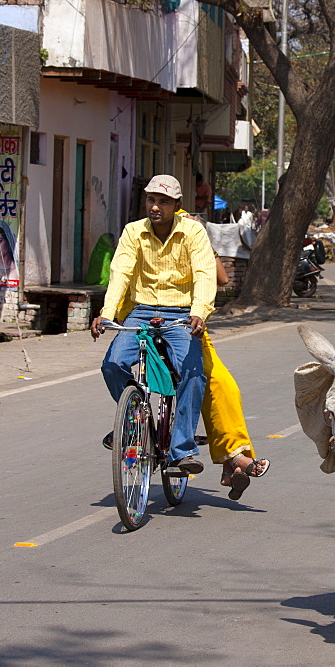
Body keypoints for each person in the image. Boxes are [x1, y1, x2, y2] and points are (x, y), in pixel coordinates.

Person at [91, 174, 216, 476]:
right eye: (151, 200)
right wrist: (107, 313)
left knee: (193, 373)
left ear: (176, 205)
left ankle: (182, 449)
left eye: (163, 201)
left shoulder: (193, 233)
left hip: (181, 313)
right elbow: (120, 272)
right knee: (113, 364)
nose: (156, 207)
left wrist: (199, 311)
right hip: (142, 310)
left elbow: (204, 273)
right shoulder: (133, 232)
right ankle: (133, 419)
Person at [200, 254, 270, 500]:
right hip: (157, 328)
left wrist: (207, 247)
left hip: (194, 334)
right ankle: (236, 461)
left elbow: (222, 278)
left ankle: (233, 462)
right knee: (209, 384)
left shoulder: (196, 245)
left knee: (225, 387)